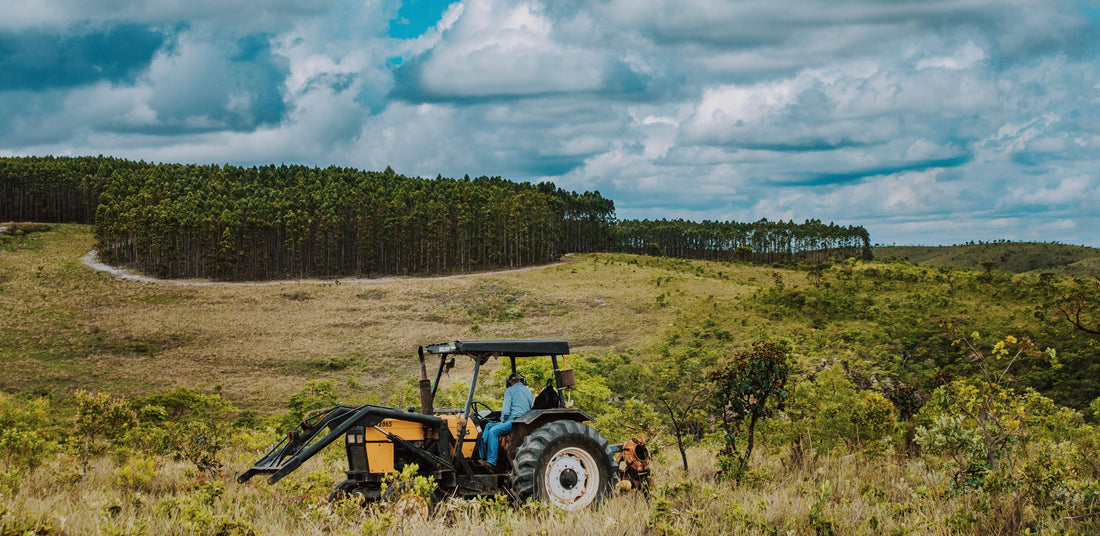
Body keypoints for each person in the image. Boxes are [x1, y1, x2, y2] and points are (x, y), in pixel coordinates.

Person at [479, 372, 533, 467]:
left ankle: (491, 461)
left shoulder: (510, 391)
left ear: (510, 382)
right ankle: (482, 456)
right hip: (525, 421)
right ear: (521, 380)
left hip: (513, 422)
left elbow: (505, 411)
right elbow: (531, 407)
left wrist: (502, 421)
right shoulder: (528, 391)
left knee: (493, 431)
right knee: (488, 425)